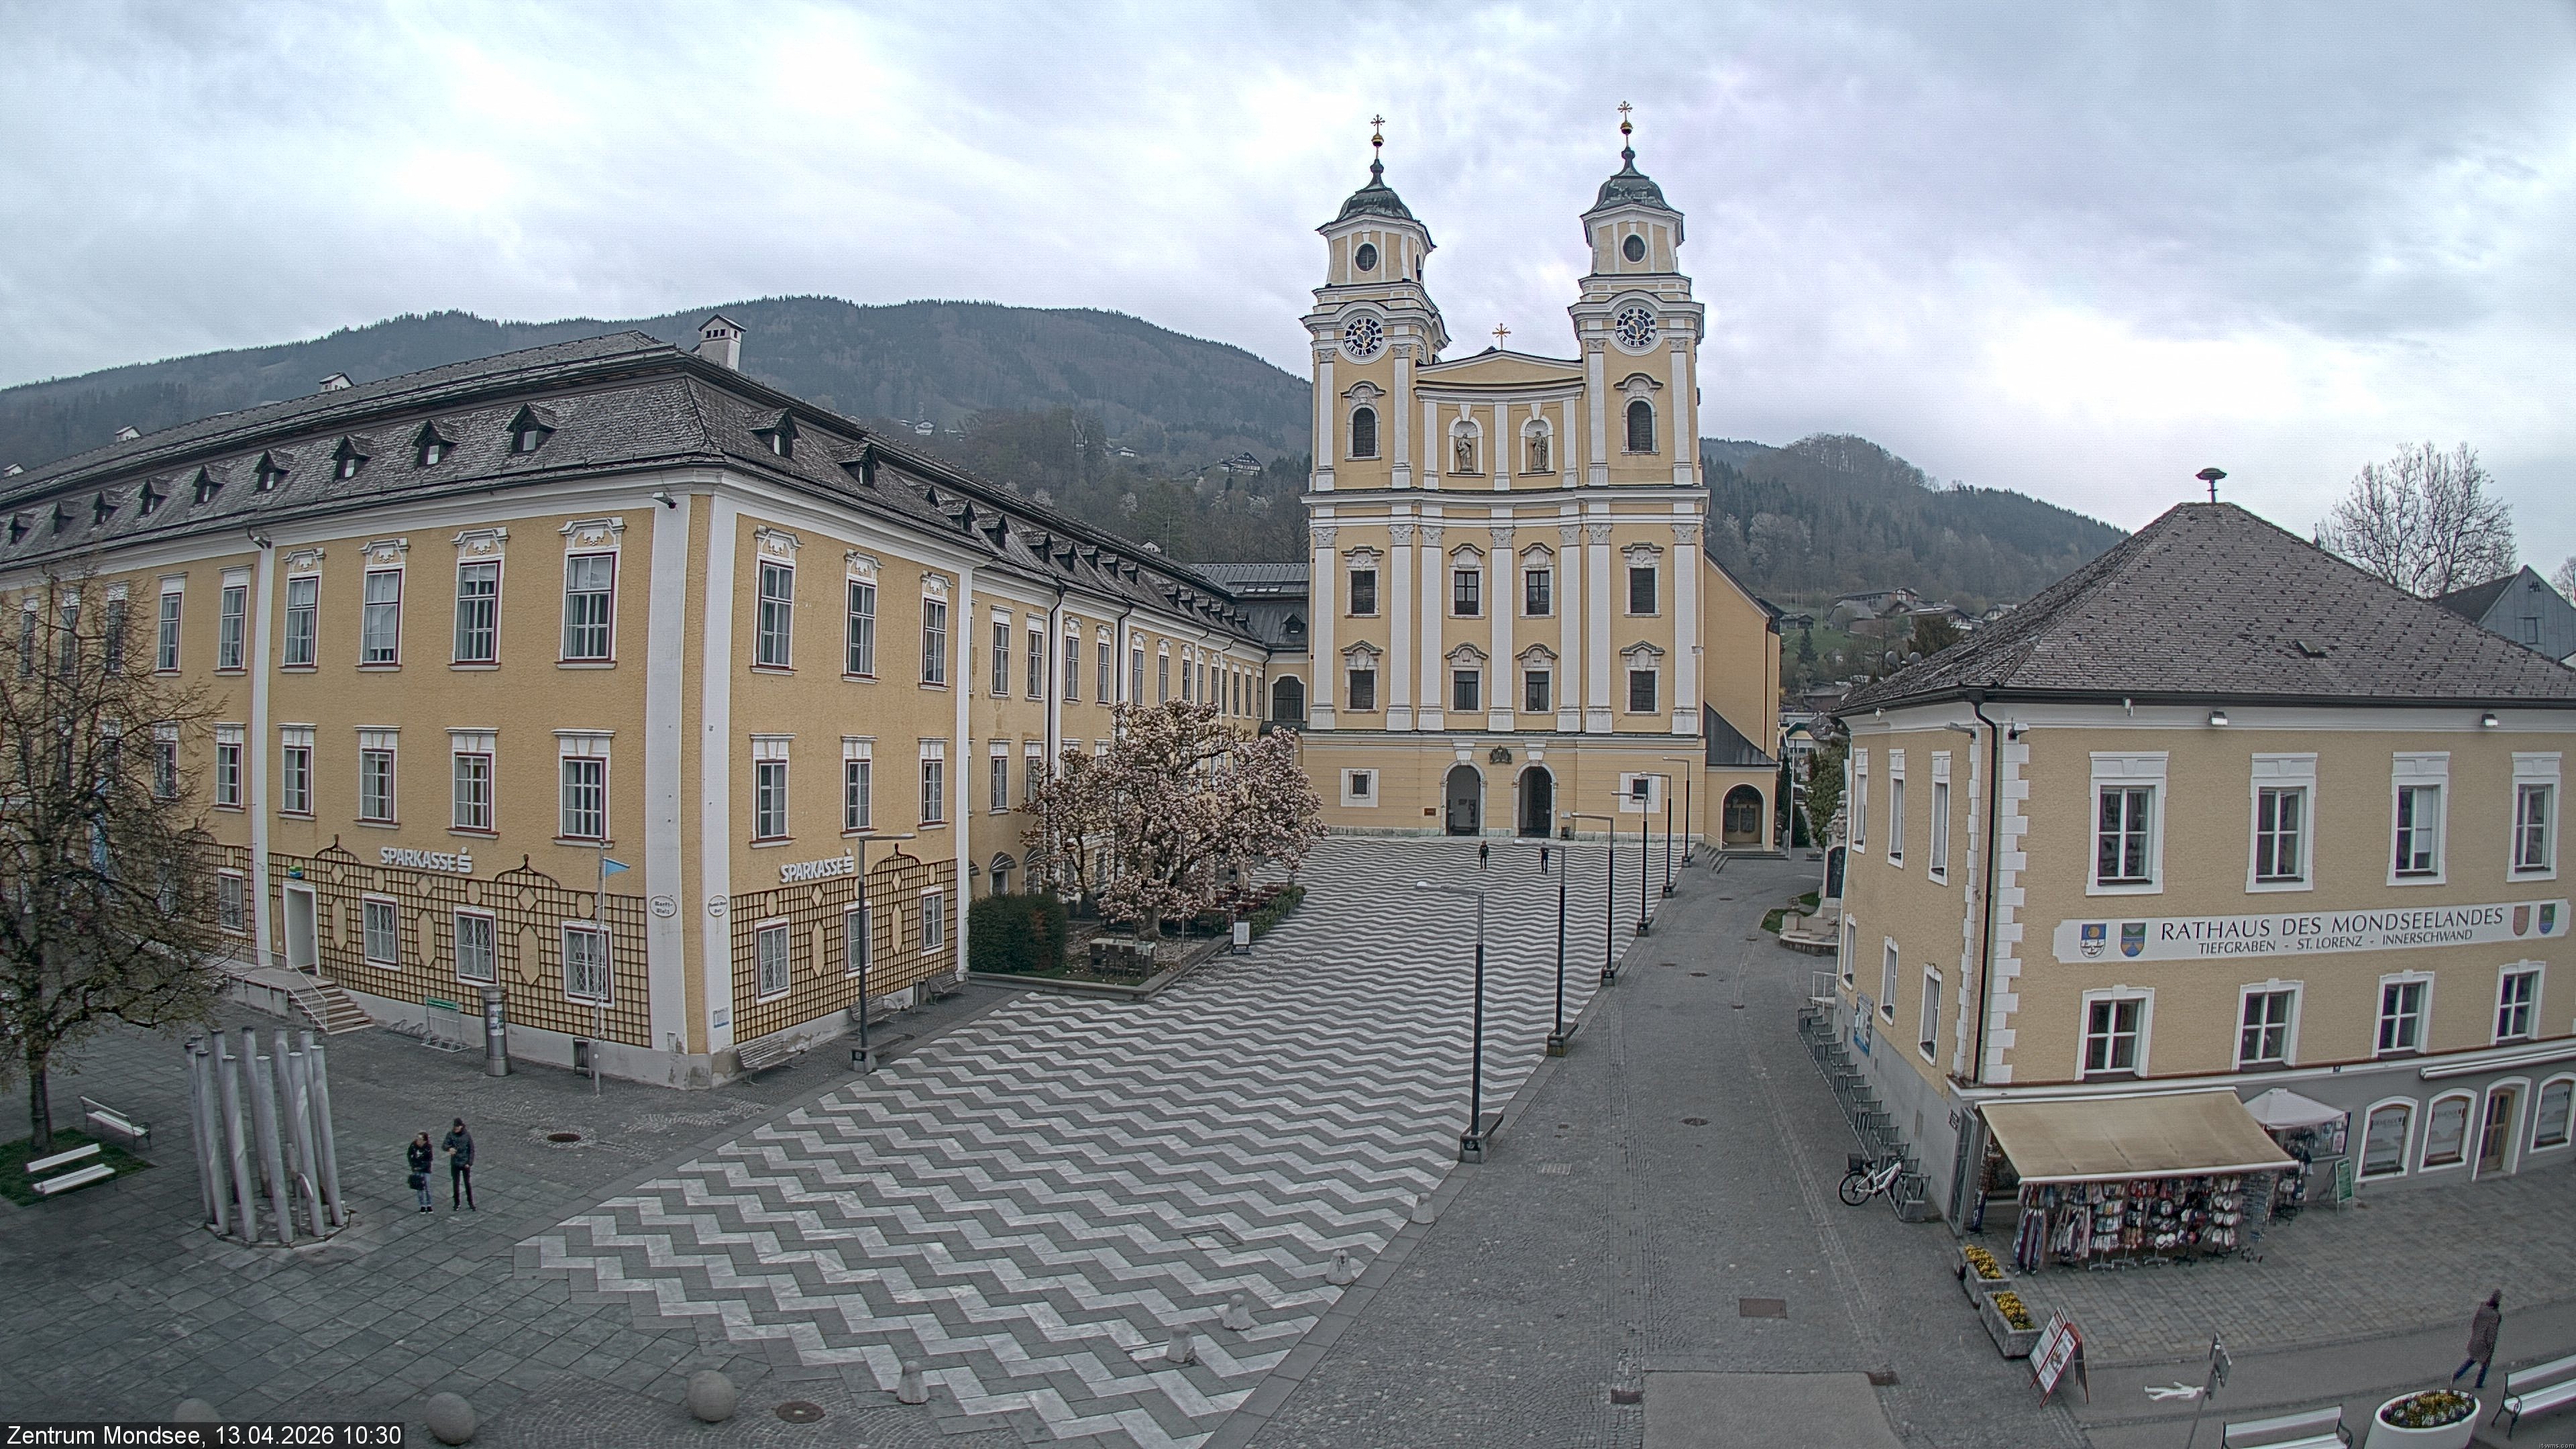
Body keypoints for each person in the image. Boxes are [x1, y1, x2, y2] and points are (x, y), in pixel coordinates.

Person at [2454, 1291, 2503, 1389]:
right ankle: (2479, 1384)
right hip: (2484, 1344)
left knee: (2472, 1359)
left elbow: (2475, 1324)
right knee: (2485, 1364)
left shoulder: (2482, 1308)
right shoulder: (2495, 1316)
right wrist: (2490, 1347)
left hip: (2475, 1339)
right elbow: (2491, 1334)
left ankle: (2457, 1375)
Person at [441, 1118, 476, 1211]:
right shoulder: (451, 1134)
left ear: (461, 1126)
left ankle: (471, 1202)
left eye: (457, 1128)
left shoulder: (467, 1135)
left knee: (467, 1183)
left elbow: (471, 1150)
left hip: (465, 1163)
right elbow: (444, 1145)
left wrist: (469, 1163)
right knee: (455, 1184)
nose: (455, 1129)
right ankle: (457, 1203)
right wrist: (449, 1148)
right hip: (455, 1163)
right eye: (455, 1128)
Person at [407, 1132, 435, 1214]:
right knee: (419, 1188)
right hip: (416, 1169)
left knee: (427, 1187)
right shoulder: (413, 1145)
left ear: (425, 1141)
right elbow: (409, 1155)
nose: (418, 1140)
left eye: (420, 1139)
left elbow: (429, 1160)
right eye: (418, 1138)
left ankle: (429, 1204)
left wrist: (421, 1167)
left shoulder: (428, 1147)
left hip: (426, 1170)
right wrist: (413, 1165)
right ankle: (422, 1205)